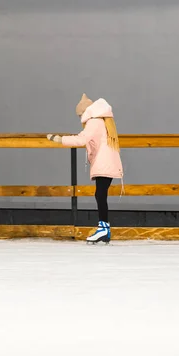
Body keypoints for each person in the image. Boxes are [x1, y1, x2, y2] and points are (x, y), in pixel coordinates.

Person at [47, 94, 123, 244]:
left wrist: (59, 139)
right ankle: (104, 229)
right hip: (107, 160)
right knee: (100, 194)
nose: (80, 118)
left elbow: (81, 139)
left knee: (100, 195)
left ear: (85, 112)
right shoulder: (102, 120)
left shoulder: (94, 122)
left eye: (80, 115)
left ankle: (103, 229)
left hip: (104, 161)